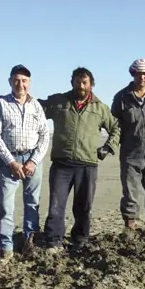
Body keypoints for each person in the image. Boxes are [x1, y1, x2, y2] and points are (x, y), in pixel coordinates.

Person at [38, 67, 120, 251]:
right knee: (56, 205)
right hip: (62, 163)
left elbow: (116, 127)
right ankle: (53, 240)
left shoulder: (100, 108)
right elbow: (36, 109)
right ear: (72, 83)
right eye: (77, 82)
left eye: (85, 83)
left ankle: (80, 239)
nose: (81, 86)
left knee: (83, 206)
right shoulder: (59, 101)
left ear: (91, 84)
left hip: (87, 164)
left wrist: (108, 147)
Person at [0, 64, 50, 261]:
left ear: (29, 83)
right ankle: (6, 247)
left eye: (24, 80)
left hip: (32, 160)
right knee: (7, 206)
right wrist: (11, 162)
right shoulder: (1, 103)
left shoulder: (36, 106)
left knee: (32, 203)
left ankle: (29, 242)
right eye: (16, 80)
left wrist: (34, 161)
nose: (21, 84)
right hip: (10, 162)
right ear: (10, 82)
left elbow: (44, 135)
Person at [110, 58, 145, 231]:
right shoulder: (121, 97)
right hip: (130, 154)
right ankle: (130, 229)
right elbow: (115, 125)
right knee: (130, 193)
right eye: (139, 73)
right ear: (133, 74)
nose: (142, 77)